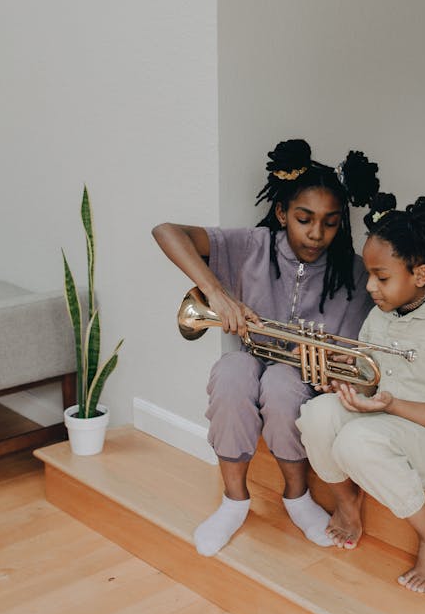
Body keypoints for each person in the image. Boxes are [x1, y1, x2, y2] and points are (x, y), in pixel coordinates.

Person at [152, 138, 379, 555]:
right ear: (281, 213)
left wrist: (343, 362)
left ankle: (297, 497)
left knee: (280, 383)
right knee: (230, 373)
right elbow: (166, 231)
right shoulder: (252, 245)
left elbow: (363, 345)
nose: (316, 233)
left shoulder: (353, 272)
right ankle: (233, 502)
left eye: (330, 222)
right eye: (303, 219)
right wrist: (217, 294)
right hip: (251, 358)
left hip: (303, 379)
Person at [297, 193, 425, 594]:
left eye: (381, 278)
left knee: (355, 440)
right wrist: (344, 385)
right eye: (369, 275)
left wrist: (391, 403)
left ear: (419, 275)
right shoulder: (379, 317)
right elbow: (373, 381)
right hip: (386, 425)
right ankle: (348, 503)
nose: (370, 287)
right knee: (317, 413)